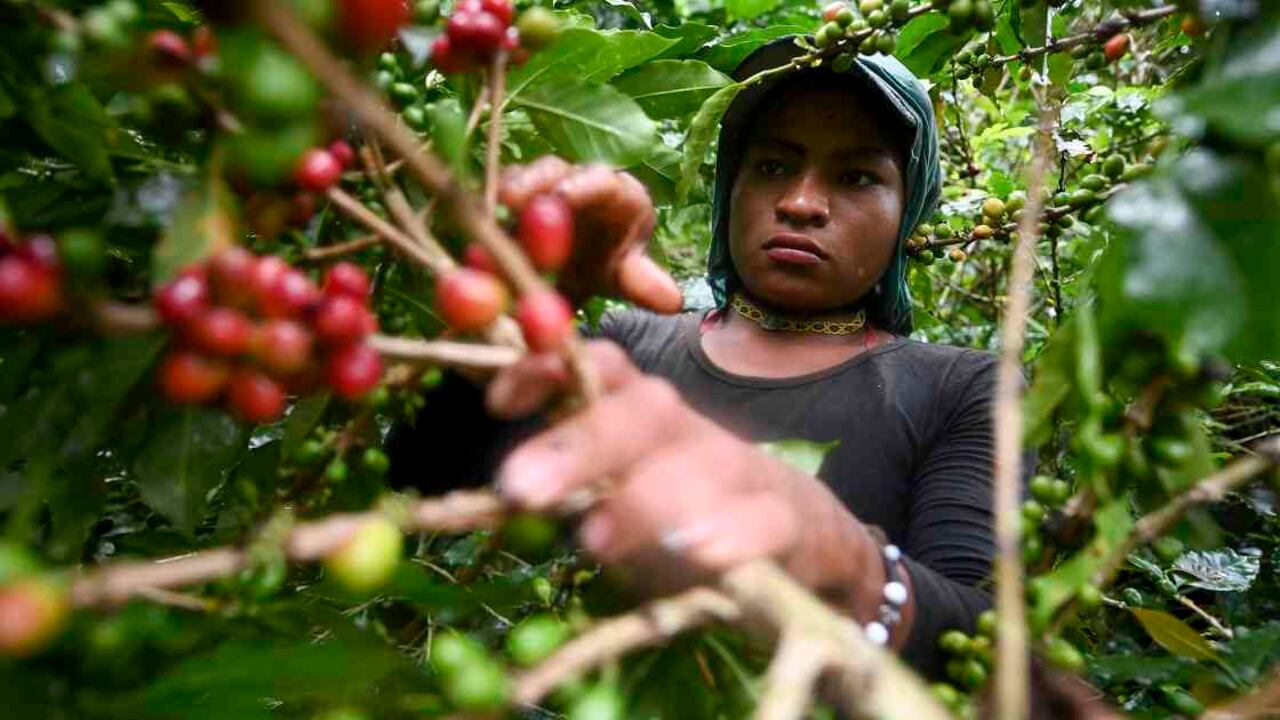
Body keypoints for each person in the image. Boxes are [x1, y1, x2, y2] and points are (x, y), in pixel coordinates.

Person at [389, 38, 1000, 679]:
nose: (800, 202)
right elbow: (422, 476)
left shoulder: (959, 388)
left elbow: (983, 642)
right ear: (731, 186)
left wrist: (849, 567)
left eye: (857, 178)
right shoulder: (624, 346)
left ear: (907, 211)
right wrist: (525, 301)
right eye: (772, 166)